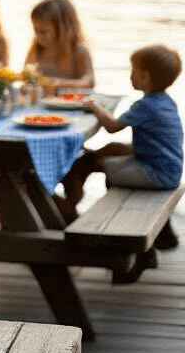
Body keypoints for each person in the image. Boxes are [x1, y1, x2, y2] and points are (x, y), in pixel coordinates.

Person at [56, 44, 183, 222]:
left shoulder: (144, 106)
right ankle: (72, 199)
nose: (130, 75)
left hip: (155, 174)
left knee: (98, 164)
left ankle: (71, 208)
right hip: (169, 169)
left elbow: (112, 126)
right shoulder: (166, 101)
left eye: (133, 70)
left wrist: (94, 106)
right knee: (109, 150)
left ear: (145, 77)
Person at [24, 0, 94, 90]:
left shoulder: (78, 50)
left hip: (70, 102)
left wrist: (58, 83)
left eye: (43, 32)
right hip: (44, 102)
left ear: (62, 30)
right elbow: (26, 74)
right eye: (35, 30)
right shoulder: (37, 48)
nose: (37, 36)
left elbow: (89, 81)